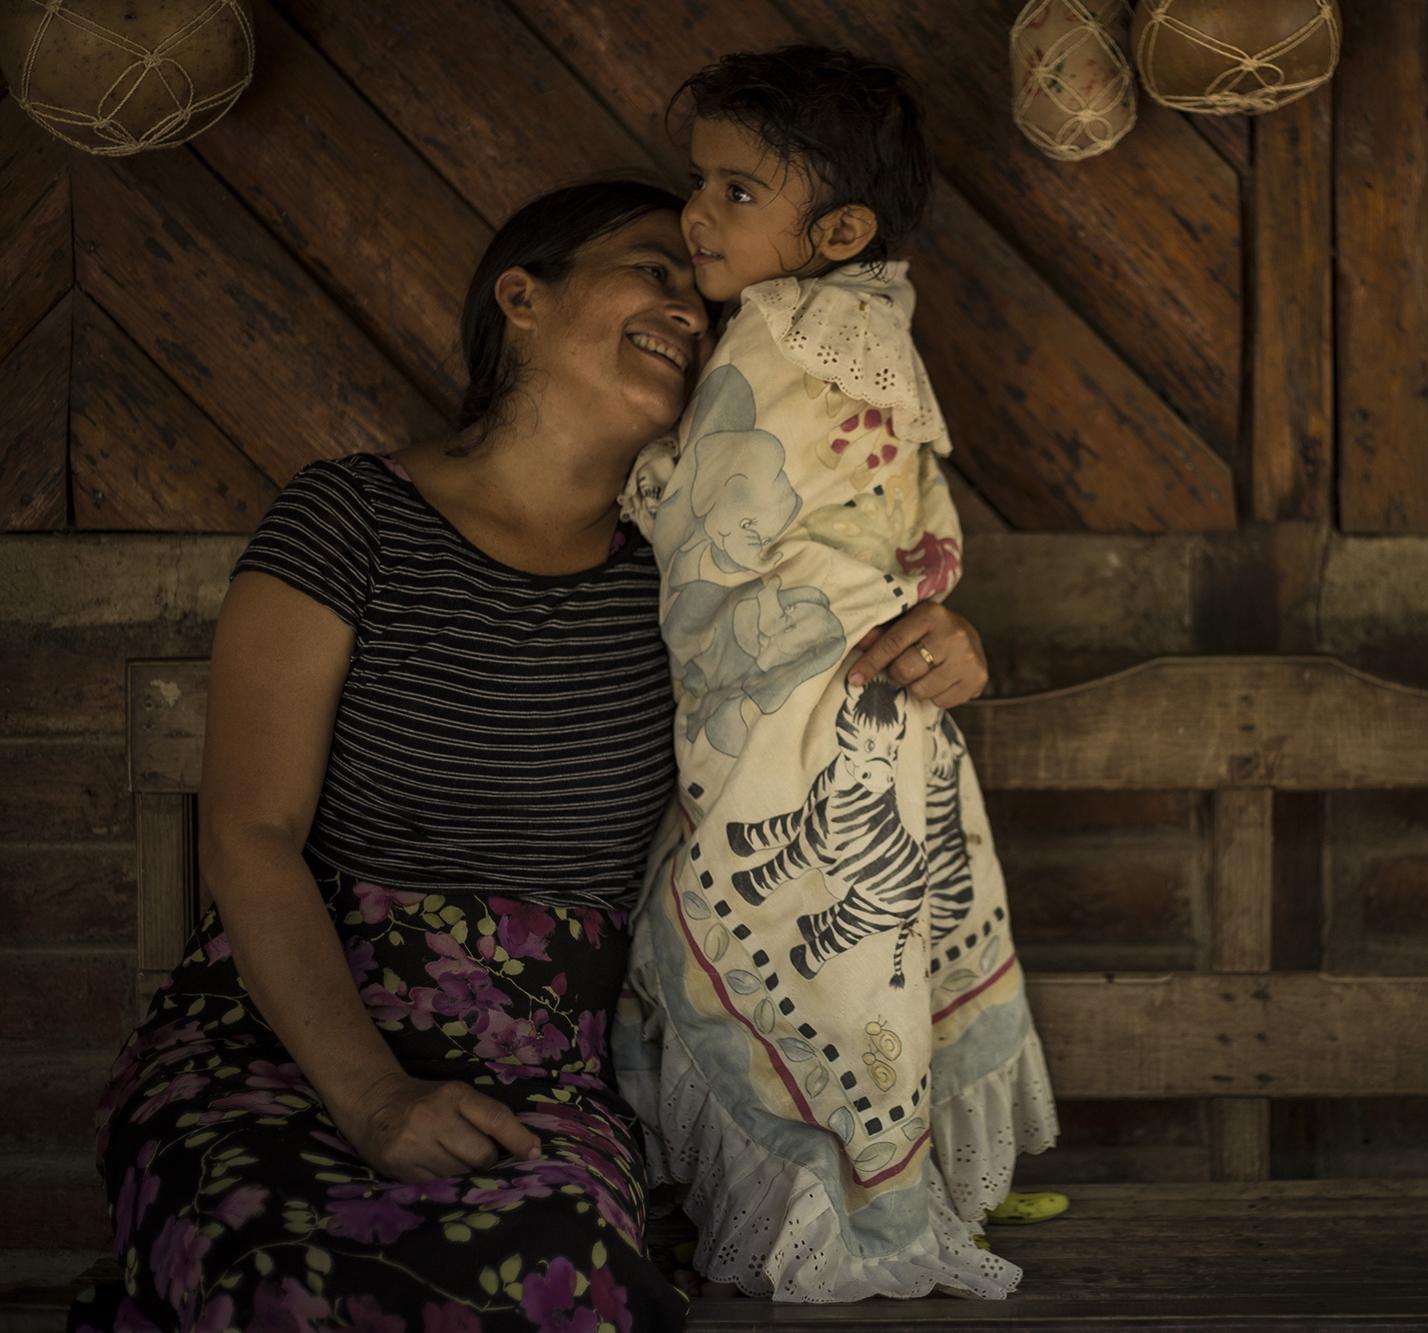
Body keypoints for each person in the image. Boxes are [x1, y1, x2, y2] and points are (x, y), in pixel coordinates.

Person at [73, 179, 992, 1333]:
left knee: (554, 1275)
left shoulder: (690, 585)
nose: (688, 312)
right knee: (281, 1272)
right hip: (284, 1043)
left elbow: (834, 662)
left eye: (701, 299)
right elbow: (251, 835)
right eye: (653, 270)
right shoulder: (350, 518)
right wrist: (370, 1099)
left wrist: (931, 650)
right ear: (522, 296)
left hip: (539, 1059)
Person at [614, 47, 1059, 1304]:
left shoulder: (775, 339)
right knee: (870, 958)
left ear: (837, 229)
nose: (696, 213)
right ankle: (907, 1175)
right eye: (695, 182)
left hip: (803, 709)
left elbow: (720, 522)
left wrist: (644, 488)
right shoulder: (871, 333)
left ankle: (855, 1202)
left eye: (737, 192)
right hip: (880, 708)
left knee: (803, 938)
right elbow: (919, 528)